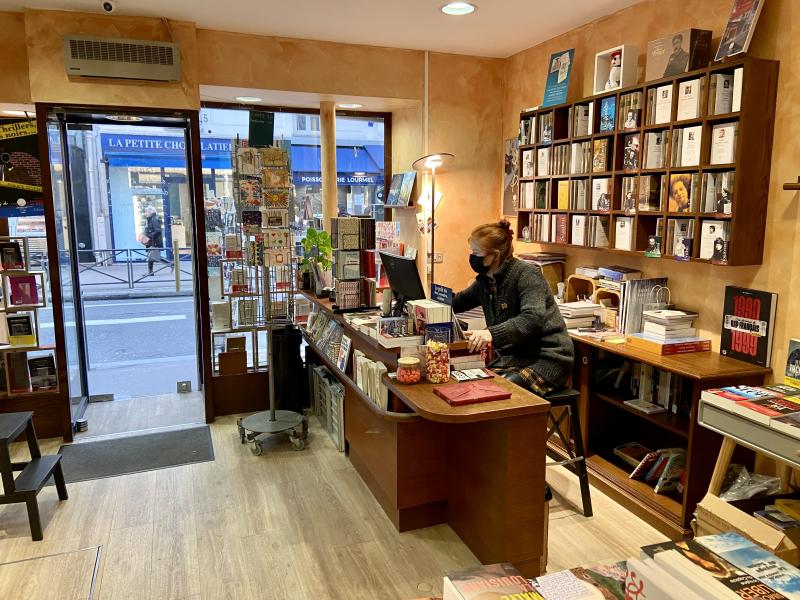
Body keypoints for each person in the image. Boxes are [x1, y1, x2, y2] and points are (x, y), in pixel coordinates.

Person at [452, 220, 574, 395]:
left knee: (493, 392)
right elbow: (458, 301)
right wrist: (429, 301)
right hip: (512, 359)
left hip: (547, 359)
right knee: (468, 384)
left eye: (476, 252)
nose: (473, 257)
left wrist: (490, 334)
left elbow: (532, 319)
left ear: (494, 255)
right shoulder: (486, 280)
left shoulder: (527, 275)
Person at [142, 205, 171, 275]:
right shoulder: (149, 218)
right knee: (154, 256)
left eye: (146, 211)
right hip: (152, 241)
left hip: (154, 241)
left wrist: (149, 237)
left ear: (151, 212)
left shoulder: (154, 219)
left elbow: (158, 231)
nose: (145, 213)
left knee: (150, 257)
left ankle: (150, 272)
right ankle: (171, 264)